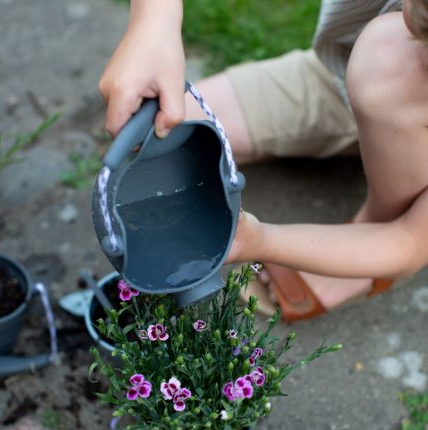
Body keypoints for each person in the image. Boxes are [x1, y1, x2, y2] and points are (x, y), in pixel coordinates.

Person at [98, 0, 428, 321]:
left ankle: (370, 235)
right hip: (347, 69)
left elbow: (408, 241)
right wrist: (154, 27)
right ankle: (378, 106)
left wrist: (261, 240)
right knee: (164, 127)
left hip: (391, 77)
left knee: (394, 59)